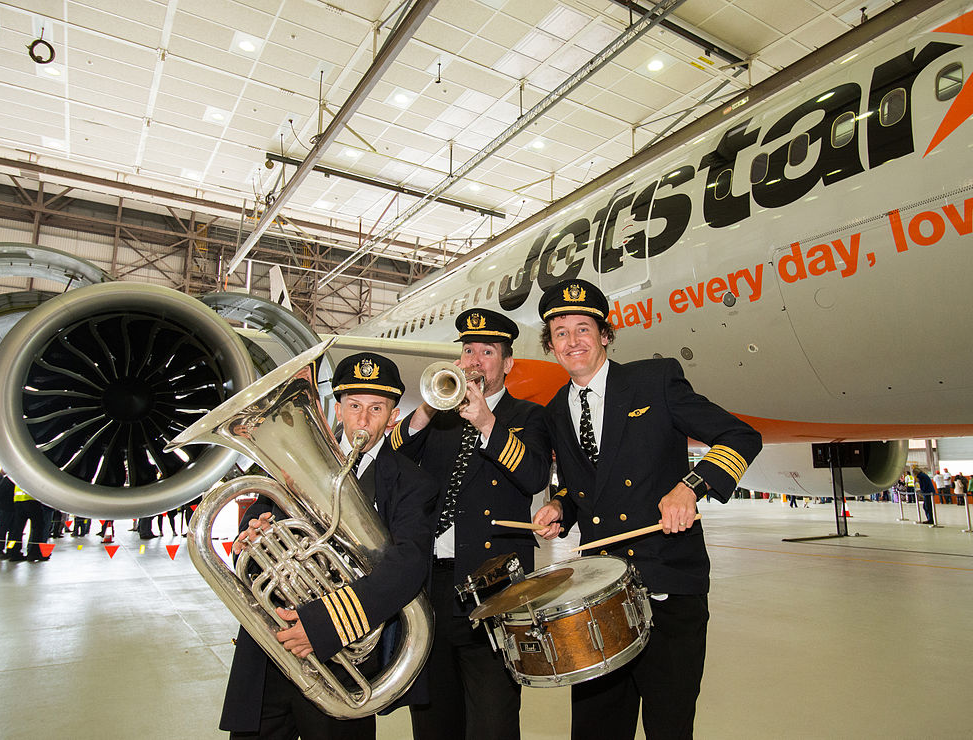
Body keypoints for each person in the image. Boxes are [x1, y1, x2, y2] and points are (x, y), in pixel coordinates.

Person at [531, 279, 762, 739]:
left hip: (668, 587)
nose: (572, 341)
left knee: (668, 726)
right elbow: (587, 490)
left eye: (583, 329)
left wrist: (691, 487)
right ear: (550, 343)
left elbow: (740, 435)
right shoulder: (555, 409)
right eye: (560, 332)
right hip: (601, 597)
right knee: (597, 729)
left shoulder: (652, 381)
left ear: (605, 336)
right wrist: (560, 507)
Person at [219, 352, 437, 740]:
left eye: (376, 408)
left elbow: (408, 565)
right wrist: (251, 539)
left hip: (342, 656)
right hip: (272, 644)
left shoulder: (412, 482)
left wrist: (322, 624)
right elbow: (254, 531)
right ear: (337, 409)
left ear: (392, 417)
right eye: (354, 406)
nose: (363, 419)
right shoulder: (288, 465)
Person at [391, 308, 551, 740]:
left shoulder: (528, 416)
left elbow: (535, 476)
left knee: (493, 720)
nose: (475, 360)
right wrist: (426, 408)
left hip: (494, 588)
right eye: (468, 351)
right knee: (433, 717)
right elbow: (391, 461)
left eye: (487, 351)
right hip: (431, 587)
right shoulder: (437, 416)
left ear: (507, 363)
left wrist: (486, 421)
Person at [0, 470, 17, 559]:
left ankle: (8, 550)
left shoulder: (9, 479)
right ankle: (1, 550)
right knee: (4, 531)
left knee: (10, 532)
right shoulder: (10, 479)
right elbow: (0, 495)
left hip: (9, 508)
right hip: (7, 509)